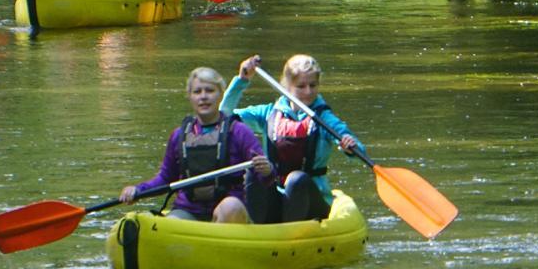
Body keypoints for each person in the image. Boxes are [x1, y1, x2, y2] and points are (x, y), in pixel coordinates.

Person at [223, 54, 363, 223]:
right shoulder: (268, 114)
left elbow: (358, 151)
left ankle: (289, 232)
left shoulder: (324, 119)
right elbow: (224, 115)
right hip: (277, 199)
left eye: (313, 85)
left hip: (311, 203)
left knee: (297, 180)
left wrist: (350, 146)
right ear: (287, 86)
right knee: (255, 170)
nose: (308, 91)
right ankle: (260, 229)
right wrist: (242, 80)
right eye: (301, 86)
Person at [120, 67, 270, 223]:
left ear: (220, 94)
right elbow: (165, 178)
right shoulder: (179, 135)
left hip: (228, 213)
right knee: (172, 222)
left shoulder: (239, 132)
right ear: (190, 97)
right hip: (188, 210)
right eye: (197, 92)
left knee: (231, 206)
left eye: (210, 91)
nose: (203, 97)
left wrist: (266, 170)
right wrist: (138, 190)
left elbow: (265, 178)